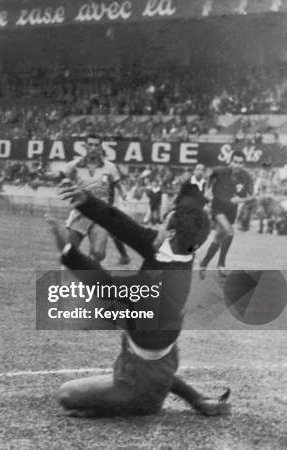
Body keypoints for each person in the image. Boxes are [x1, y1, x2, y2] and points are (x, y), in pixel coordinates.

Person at [46, 183, 229, 417]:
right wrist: (88, 201)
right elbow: (124, 227)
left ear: (171, 233)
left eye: (162, 224)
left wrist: (68, 249)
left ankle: (141, 402)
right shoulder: (179, 249)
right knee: (153, 361)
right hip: (160, 352)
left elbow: (104, 286)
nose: (156, 228)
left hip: (142, 371)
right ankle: (196, 398)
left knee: (67, 394)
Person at [41, 134, 124, 263]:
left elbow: (117, 184)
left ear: (100, 147)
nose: (93, 148)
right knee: (70, 250)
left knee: (98, 253)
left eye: (96, 145)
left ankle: (89, 277)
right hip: (80, 212)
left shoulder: (110, 167)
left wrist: (123, 195)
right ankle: (72, 277)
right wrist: (45, 175)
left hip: (101, 213)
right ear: (85, 146)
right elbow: (58, 175)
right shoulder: (74, 165)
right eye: (90, 145)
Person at [199, 151, 254, 278]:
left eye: (240, 163)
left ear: (243, 164)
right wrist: (207, 191)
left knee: (218, 238)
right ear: (230, 161)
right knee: (230, 232)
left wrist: (241, 200)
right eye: (235, 162)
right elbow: (210, 177)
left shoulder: (246, 176)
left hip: (231, 211)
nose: (237, 165)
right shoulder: (220, 171)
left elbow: (251, 196)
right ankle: (221, 264)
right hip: (218, 208)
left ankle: (204, 263)